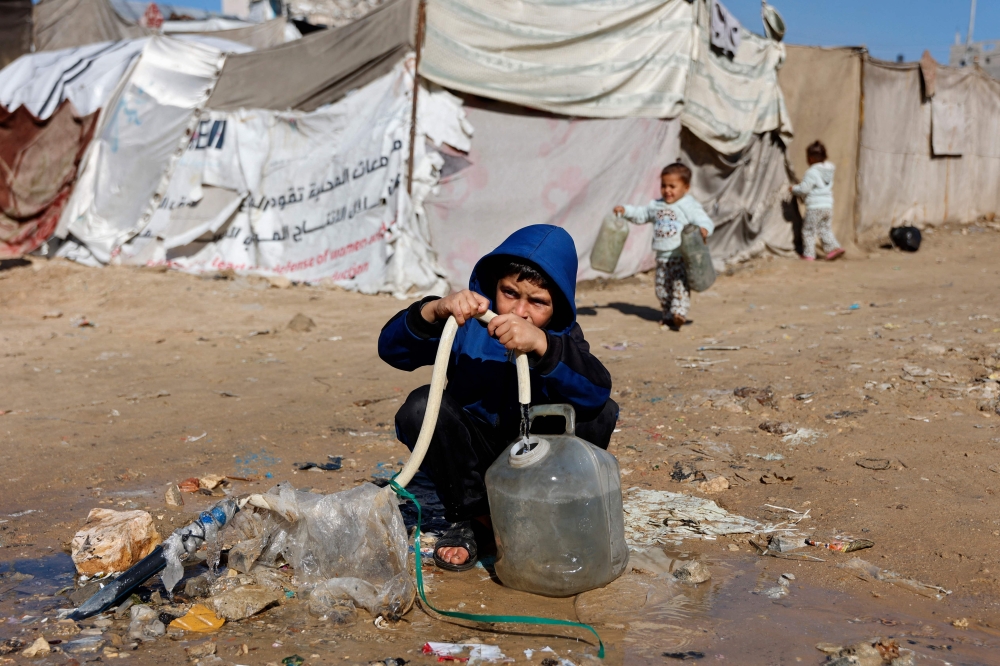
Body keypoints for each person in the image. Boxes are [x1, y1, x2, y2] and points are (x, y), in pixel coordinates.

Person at [378, 225, 617, 571]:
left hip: (536, 462)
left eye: (537, 302)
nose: (519, 311)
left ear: (558, 306)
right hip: (474, 460)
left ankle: (544, 514)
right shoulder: (468, 326)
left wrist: (542, 346)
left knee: (599, 411)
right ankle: (476, 520)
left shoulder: (563, 339)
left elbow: (598, 392)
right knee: (421, 405)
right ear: (494, 286)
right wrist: (435, 310)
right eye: (509, 293)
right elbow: (392, 351)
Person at [614, 162, 714, 330]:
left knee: (679, 286)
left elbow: (703, 219)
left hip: (680, 256)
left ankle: (679, 313)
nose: (667, 190)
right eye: (664, 185)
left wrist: (704, 229)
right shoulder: (656, 205)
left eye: (672, 186)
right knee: (662, 289)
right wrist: (626, 211)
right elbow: (642, 214)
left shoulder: (688, 205)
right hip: (662, 258)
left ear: (686, 187)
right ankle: (668, 316)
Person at [790, 140, 844, 261]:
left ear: (811, 158)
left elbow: (804, 189)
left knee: (808, 230)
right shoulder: (829, 171)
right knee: (825, 229)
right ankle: (834, 248)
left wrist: (793, 188)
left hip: (815, 207)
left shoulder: (811, 172)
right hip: (828, 206)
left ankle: (809, 254)